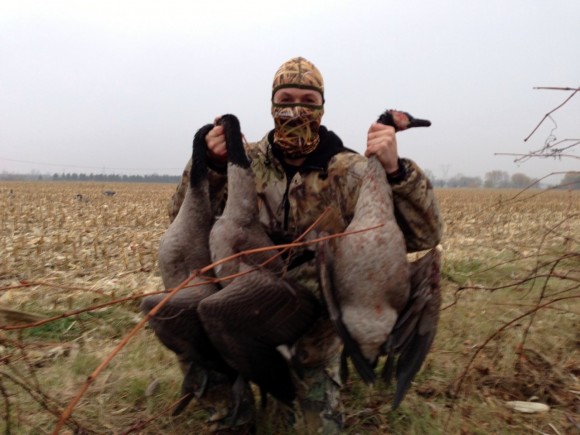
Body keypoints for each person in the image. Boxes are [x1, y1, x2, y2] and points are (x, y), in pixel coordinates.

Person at [165, 56, 442, 433]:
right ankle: (231, 413)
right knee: (182, 310)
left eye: (309, 101)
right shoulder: (243, 163)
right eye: (287, 98)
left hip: (314, 310)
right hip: (243, 294)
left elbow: (424, 237)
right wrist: (210, 168)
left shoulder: (351, 172)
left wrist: (396, 172)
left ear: (323, 107)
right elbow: (182, 222)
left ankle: (296, 378)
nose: (297, 109)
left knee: (317, 427)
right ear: (272, 105)